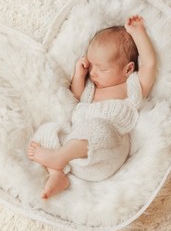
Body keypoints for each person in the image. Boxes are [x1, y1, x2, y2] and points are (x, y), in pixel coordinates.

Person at [28, 15, 156, 199]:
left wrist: (138, 32)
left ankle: (57, 158)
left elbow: (149, 64)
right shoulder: (91, 89)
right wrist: (79, 74)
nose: (93, 73)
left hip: (107, 154)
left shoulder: (131, 87)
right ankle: (57, 174)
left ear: (128, 70)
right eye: (92, 66)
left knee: (97, 128)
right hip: (77, 160)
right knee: (47, 131)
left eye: (102, 69)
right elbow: (76, 96)